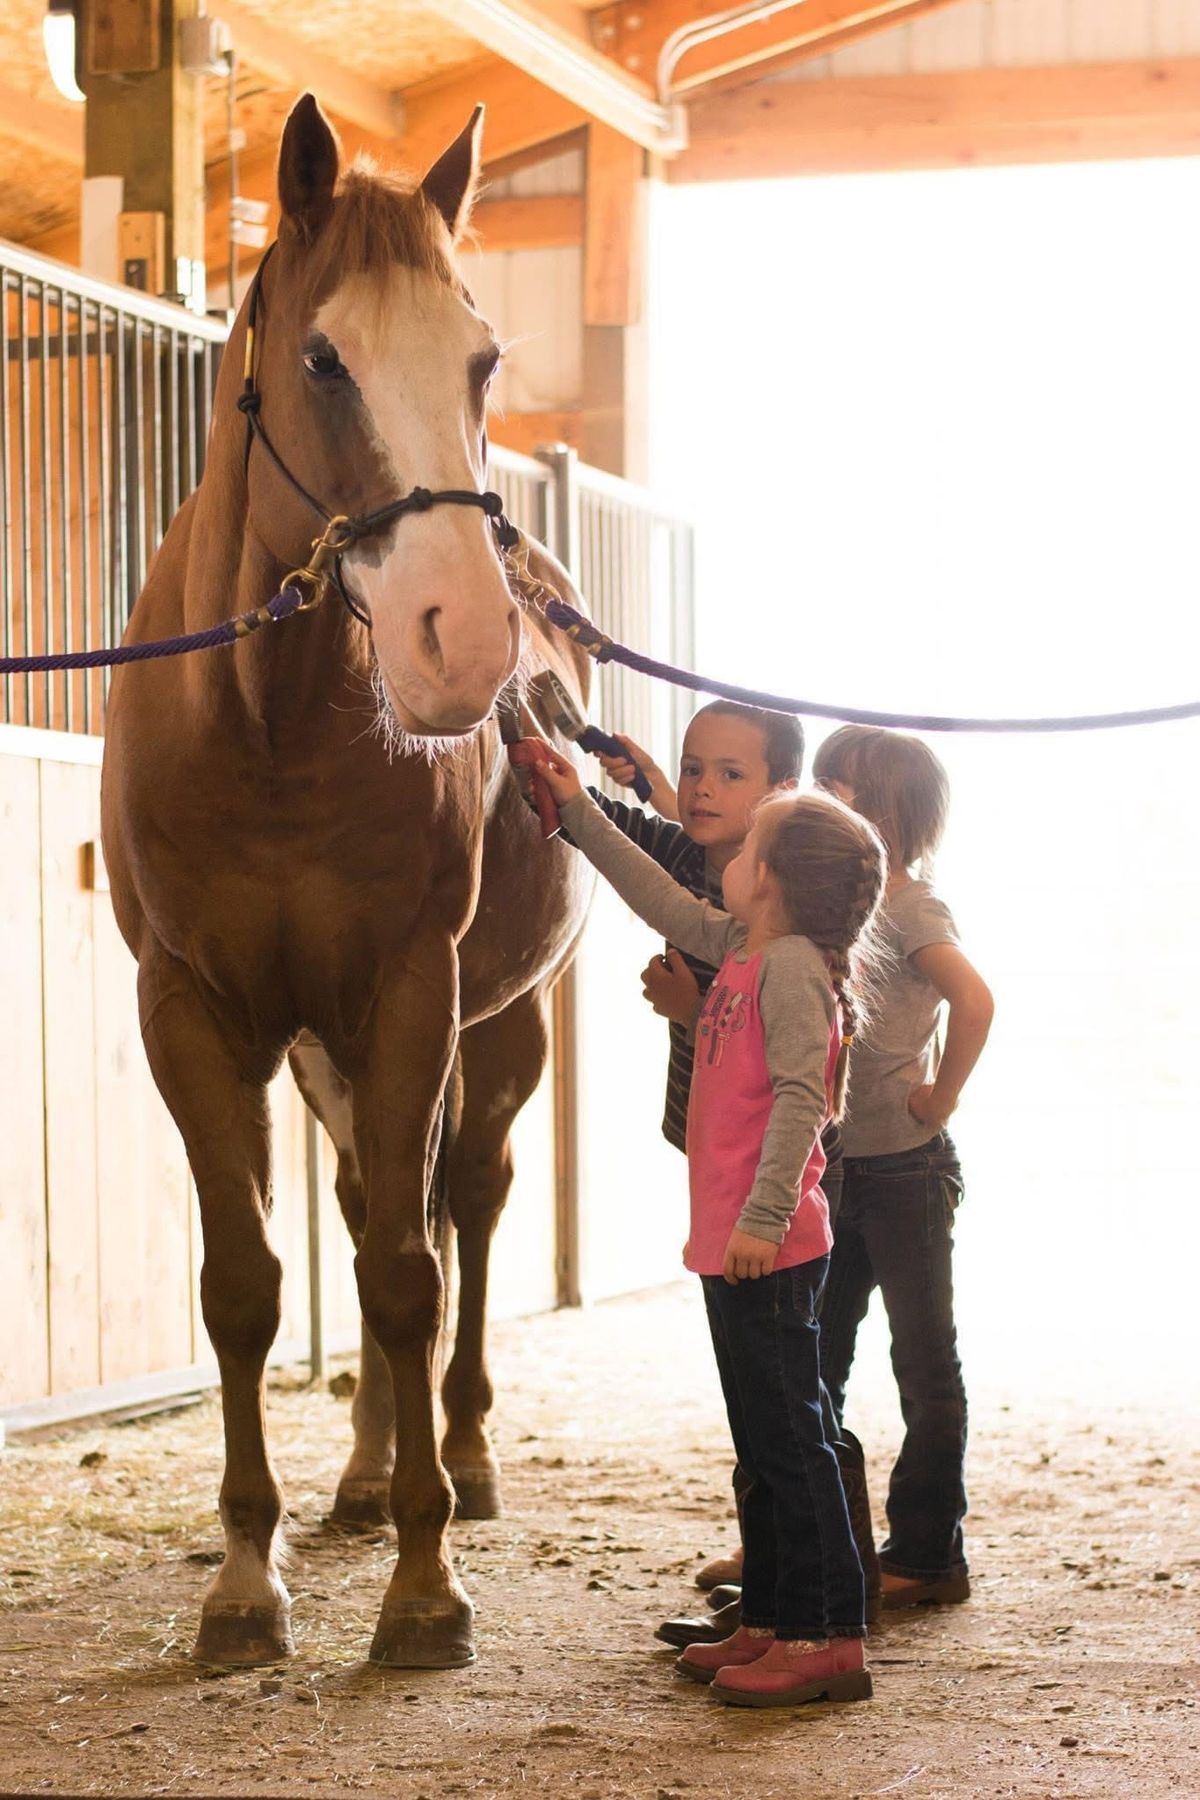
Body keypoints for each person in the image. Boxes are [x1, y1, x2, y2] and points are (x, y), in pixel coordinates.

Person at [537, 744, 887, 1709]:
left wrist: (765, 1219)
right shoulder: (742, 944)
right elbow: (659, 897)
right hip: (736, 1244)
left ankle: (827, 1637)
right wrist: (576, 810)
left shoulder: (787, 971)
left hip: (768, 1246)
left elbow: (799, 1105)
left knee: (793, 1442)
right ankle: (774, 1616)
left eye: (746, 848)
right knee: (764, 1437)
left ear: (766, 879)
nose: (721, 862)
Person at [812, 725, 994, 1610]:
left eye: (836, 789)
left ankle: (926, 1553)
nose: (818, 801)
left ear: (882, 812)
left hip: (906, 1173)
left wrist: (942, 1096)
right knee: (816, 1363)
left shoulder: (911, 908)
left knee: (924, 1367)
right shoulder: (823, 904)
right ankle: (814, 1543)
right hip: (838, 1170)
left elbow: (975, 998)